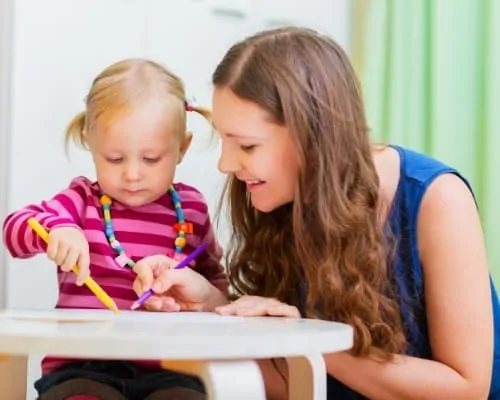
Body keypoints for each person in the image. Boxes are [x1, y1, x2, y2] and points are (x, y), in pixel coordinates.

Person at [132, 27, 500, 399]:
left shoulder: (436, 198)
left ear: (312, 136)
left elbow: (466, 389)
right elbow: (299, 383)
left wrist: (308, 339)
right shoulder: (277, 198)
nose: (226, 164)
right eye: (224, 140)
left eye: (247, 145)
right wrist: (211, 309)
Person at [2, 58, 227, 400]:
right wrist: (59, 229)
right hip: (82, 367)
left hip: (172, 369)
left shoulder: (192, 209)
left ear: (182, 148)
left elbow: (217, 288)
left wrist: (211, 302)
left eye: (151, 159)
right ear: (89, 142)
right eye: (115, 159)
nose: (132, 174)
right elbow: (15, 230)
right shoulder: (82, 199)